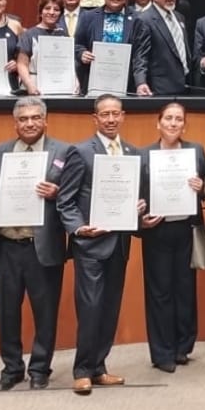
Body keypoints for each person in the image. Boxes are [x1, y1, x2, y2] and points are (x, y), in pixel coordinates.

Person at [56, 95, 144, 394]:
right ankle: (81, 370)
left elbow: (134, 197)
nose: (111, 119)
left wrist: (139, 207)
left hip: (119, 244)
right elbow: (66, 200)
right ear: (95, 118)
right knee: (90, 307)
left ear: (123, 116)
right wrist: (79, 228)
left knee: (110, 307)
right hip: (91, 246)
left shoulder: (132, 153)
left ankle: (99, 367)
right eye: (105, 114)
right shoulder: (81, 152)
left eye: (115, 113)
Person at [0, 96, 71, 391]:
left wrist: (57, 192)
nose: (30, 123)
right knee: (6, 311)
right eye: (23, 119)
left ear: (45, 120)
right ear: (15, 123)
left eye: (35, 118)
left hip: (42, 246)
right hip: (6, 245)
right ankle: (11, 368)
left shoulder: (63, 152)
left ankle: (39, 368)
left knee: (45, 312)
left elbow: (75, 195)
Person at [137, 101, 205, 373]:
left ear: (184, 125)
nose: (173, 123)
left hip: (187, 230)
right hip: (157, 231)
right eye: (168, 118)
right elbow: (137, 194)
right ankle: (162, 352)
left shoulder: (195, 151)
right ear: (158, 123)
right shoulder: (144, 155)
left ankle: (182, 347)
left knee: (185, 290)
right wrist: (141, 217)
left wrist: (202, 187)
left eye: (178, 119)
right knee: (159, 292)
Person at [74, 0, 154, 96]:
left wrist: (140, 82)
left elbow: (140, 55)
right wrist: (82, 53)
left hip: (126, 83)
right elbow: (77, 44)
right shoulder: (88, 17)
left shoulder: (137, 19)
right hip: (94, 81)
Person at [145, 0, 191, 97]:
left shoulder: (180, 17)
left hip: (184, 85)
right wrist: (141, 82)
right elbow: (140, 56)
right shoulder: (145, 19)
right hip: (159, 88)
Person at [15, 0, 69, 96]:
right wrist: (29, 85)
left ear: (61, 14)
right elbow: (21, 64)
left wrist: (75, 81)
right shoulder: (29, 35)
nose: (51, 12)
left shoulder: (64, 35)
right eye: (47, 8)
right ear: (41, 12)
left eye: (56, 9)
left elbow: (68, 64)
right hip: (34, 85)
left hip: (59, 85)